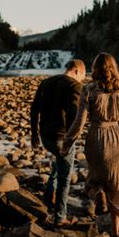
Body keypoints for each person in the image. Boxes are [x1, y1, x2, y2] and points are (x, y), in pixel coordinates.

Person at [61, 53, 119, 237]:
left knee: (96, 178)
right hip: (117, 139)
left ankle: (99, 193)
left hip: (96, 138)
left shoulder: (88, 89)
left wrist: (67, 143)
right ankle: (115, 232)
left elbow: (79, 122)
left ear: (95, 69)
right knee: (118, 184)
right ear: (114, 68)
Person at [30, 59, 86, 226]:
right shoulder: (75, 86)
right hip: (62, 138)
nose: (82, 80)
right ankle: (60, 217)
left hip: (45, 137)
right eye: (83, 76)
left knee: (59, 161)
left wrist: (34, 135)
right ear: (76, 71)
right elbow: (73, 116)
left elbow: (34, 109)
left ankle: (49, 194)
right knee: (65, 176)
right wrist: (70, 140)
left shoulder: (46, 82)